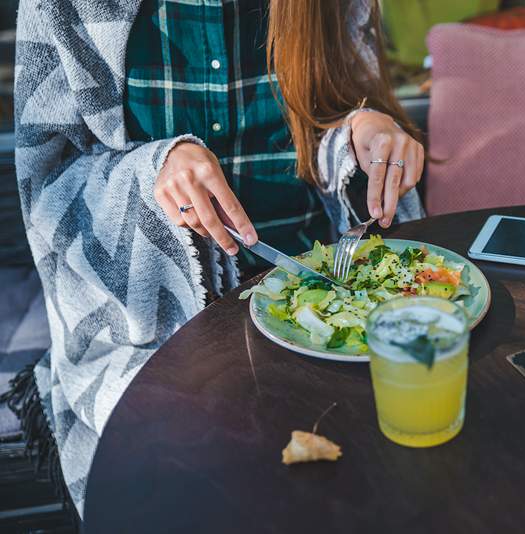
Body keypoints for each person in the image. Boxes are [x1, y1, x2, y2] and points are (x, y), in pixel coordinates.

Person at [6, 0, 425, 518]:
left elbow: (332, 120)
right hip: (160, 338)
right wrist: (154, 171)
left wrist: (363, 134)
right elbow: (45, 181)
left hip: (326, 307)